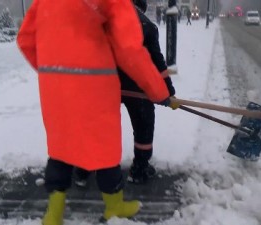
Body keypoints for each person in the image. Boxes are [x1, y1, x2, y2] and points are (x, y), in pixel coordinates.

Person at [16, 0, 174, 224]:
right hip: (95, 87)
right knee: (104, 148)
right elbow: (129, 50)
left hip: (55, 89)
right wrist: (159, 92)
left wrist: (55, 72)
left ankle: (53, 215)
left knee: (61, 147)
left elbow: (25, 40)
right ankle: (114, 206)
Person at [75, 0, 176, 186]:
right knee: (143, 125)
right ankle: (139, 170)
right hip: (136, 88)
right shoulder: (147, 26)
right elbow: (157, 63)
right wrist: (167, 92)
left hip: (103, 87)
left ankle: (84, 169)